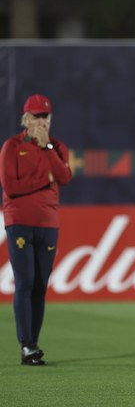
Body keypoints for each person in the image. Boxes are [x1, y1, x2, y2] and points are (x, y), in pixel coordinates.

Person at [0, 94, 72, 365]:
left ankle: (33, 344)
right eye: (36, 117)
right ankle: (26, 345)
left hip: (48, 223)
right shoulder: (11, 146)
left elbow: (64, 177)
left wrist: (48, 148)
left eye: (45, 117)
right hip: (19, 221)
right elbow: (11, 187)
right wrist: (44, 180)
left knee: (40, 286)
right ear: (25, 119)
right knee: (25, 281)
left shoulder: (58, 148)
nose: (41, 122)